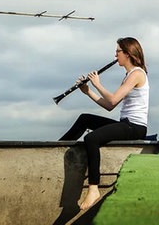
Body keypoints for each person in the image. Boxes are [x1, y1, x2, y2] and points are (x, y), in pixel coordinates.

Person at [59, 37, 149, 210]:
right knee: (85, 118)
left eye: (118, 51)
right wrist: (88, 92)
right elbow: (109, 106)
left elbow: (113, 100)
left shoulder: (137, 73)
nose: (115, 55)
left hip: (135, 128)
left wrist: (97, 83)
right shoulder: (129, 75)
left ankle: (94, 188)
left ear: (128, 53)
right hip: (126, 124)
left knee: (91, 139)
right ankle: (57, 147)